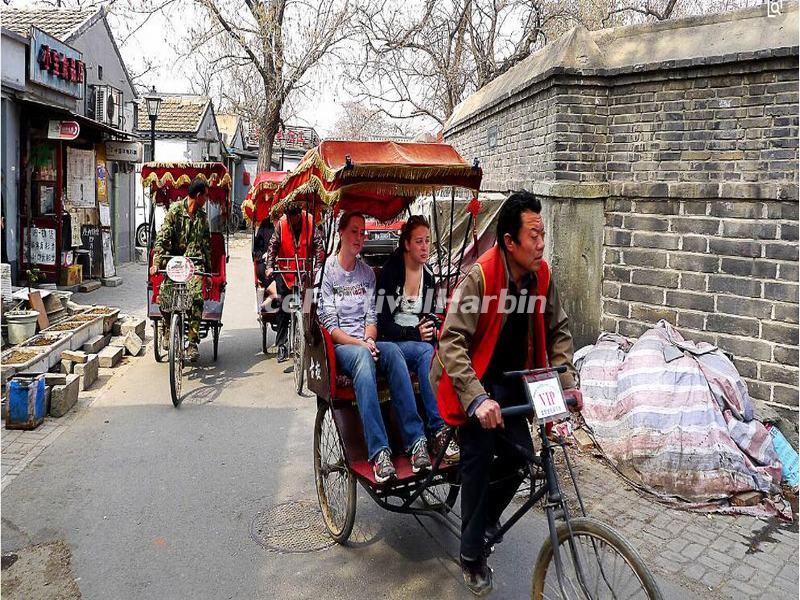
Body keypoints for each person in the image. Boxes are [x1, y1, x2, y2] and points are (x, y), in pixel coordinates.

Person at [430, 191, 582, 596]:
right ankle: (470, 553)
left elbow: (559, 332)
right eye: (533, 236)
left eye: (543, 234)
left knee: (521, 460)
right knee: (478, 459)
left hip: (515, 381)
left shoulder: (542, 276)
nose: (540, 244)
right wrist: (477, 399)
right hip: (474, 381)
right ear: (509, 242)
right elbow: (451, 342)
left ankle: (485, 520)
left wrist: (567, 384)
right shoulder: (481, 277)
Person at [318, 211, 432, 483]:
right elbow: (331, 327)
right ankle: (379, 450)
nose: (360, 238)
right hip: (344, 345)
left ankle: (416, 441)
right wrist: (361, 344)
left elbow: (372, 317)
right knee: (362, 359)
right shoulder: (328, 272)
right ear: (341, 234)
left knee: (392, 351)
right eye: (354, 231)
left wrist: (370, 339)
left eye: (362, 232)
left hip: (367, 340)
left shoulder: (367, 274)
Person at [377, 215, 459, 463]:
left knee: (438, 353)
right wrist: (414, 333)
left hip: (418, 342)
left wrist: (432, 327)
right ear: (407, 244)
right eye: (419, 242)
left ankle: (445, 427)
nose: (424, 247)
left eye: (427, 242)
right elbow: (382, 321)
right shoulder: (392, 272)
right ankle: (426, 434)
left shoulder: (429, 277)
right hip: (390, 340)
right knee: (424, 351)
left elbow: (428, 314)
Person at [150, 177, 212, 363]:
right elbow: (162, 238)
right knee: (164, 296)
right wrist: (156, 262)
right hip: (173, 261)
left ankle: (192, 342)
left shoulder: (202, 217)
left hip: (194, 264)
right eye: (206, 196)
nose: (206, 200)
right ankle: (168, 327)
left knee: (196, 298)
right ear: (199, 195)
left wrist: (207, 272)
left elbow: (206, 246)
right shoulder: (175, 211)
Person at [265, 206, 324, 362]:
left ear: (299, 215)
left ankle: (311, 339)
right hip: (285, 272)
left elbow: (319, 245)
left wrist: (318, 265)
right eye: (289, 218)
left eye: (294, 218)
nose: (291, 222)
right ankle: (282, 345)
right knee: (283, 307)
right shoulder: (282, 224)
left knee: (310, 305)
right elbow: (273, 245)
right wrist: (270, 266)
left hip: (305, 271)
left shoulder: (310, 220)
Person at [253, 217, 278, 307]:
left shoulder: (289, 224)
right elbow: (257, 248)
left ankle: (273, 296)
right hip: (265, 262)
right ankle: (273, 295)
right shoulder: (266, 224)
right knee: (265, 271)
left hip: (284, 263)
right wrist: (264, 255)